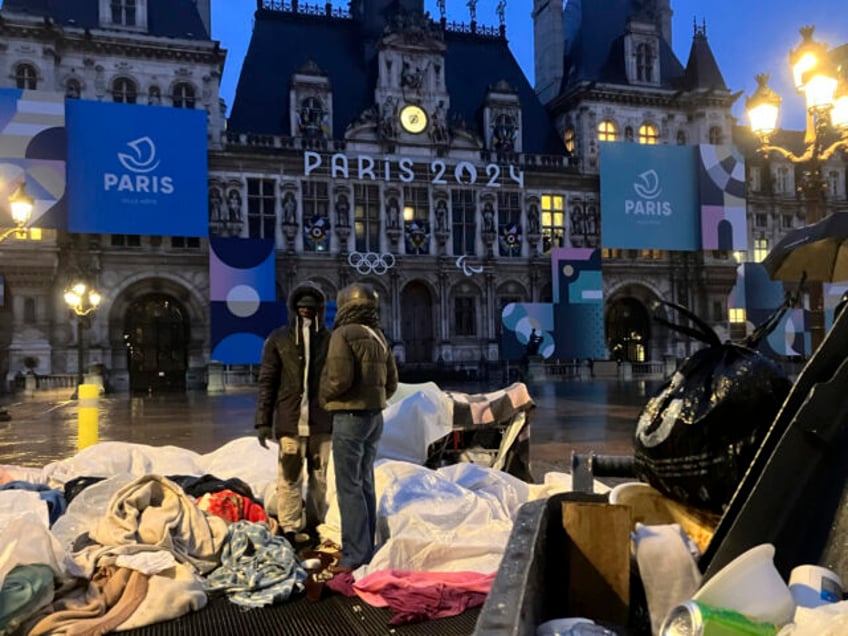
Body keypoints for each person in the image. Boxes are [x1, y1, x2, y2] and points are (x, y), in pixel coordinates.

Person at [319, 282, 398, 574]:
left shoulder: (343, 334)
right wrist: (374, 398)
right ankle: (367, 546)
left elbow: (339, 379)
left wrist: (323, 396)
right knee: (365, 481)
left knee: (348, 486)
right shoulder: (378, 336)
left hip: (349, 416)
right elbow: (391, 382)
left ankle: (354, 554)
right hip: (374, 417)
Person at [255, 282, 332, 549]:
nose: (306, 312)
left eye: (311, 308)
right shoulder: (279, 339)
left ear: (319, 310)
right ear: (294, 310)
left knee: (319, 478)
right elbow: (267, 381)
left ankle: (314, 523)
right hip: (290, 421)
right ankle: (289, 527)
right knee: (289, 476)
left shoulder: (331, 340)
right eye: (301, 308)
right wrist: (263, 421)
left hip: (322, 423)